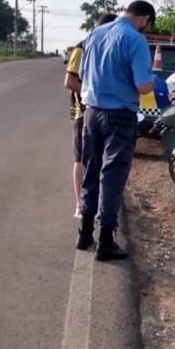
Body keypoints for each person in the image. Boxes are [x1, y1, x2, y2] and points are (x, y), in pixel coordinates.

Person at [76, 0, 156, 261]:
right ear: (144, 19)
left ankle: (85, 233)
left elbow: (84, 75)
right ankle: (106, 240)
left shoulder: (95, 34)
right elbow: (143, 86)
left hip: (91, 114)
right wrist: (155, 81)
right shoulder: (135, 40)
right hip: (120, 116)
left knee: (91, 170)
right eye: (148, 25)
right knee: (112, 176)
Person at [63, 13, 118, 218]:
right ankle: (81, 204)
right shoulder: (83, 47)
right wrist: (92, 97)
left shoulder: (107, 48)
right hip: (83, 113)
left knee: (103, 160)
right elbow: (69, 82)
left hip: (105, 112)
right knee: (82, 159)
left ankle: (99, 204)